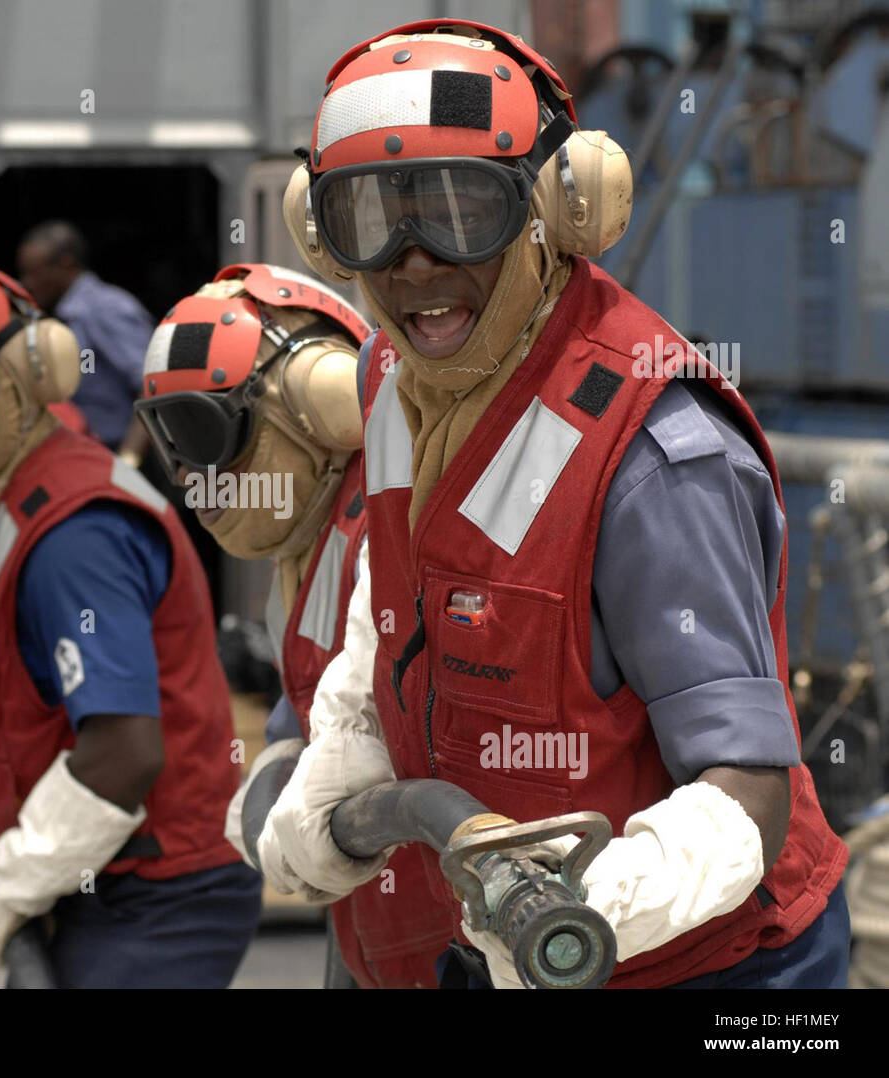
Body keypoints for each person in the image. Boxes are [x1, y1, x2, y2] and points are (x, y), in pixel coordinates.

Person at [258, 18, 850, 989]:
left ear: (557, 210)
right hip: (500, 942)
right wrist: (345, 746)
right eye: (374, 216)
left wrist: (584, 904)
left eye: (461, 211)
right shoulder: (396, 384)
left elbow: (748, 790)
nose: (412, 263)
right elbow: (395, 600)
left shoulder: (655, 453)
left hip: (709, 968)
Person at [0, 261, 261, 987]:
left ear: (24, 372)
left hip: (153, 899)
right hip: (83, 890)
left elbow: (124, 752)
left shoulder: (74, 533)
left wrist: (11, 882)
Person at [135, 263, 448, 986]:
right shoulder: (304, 550)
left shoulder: (394, 519)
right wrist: (278, 763)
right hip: (378, 929)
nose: (192, 473)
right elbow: (301, 714)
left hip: (451, 933)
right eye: (170, 437)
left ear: (321, 400)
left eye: (203, 431)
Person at [15, 220, 153, 463]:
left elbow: (152, 386)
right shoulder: (56, 315)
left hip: (114, 455)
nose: (27, 284)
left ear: (66, 264)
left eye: (35, 273)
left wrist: (129, 460)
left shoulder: (106, 308)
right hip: (78, 456)